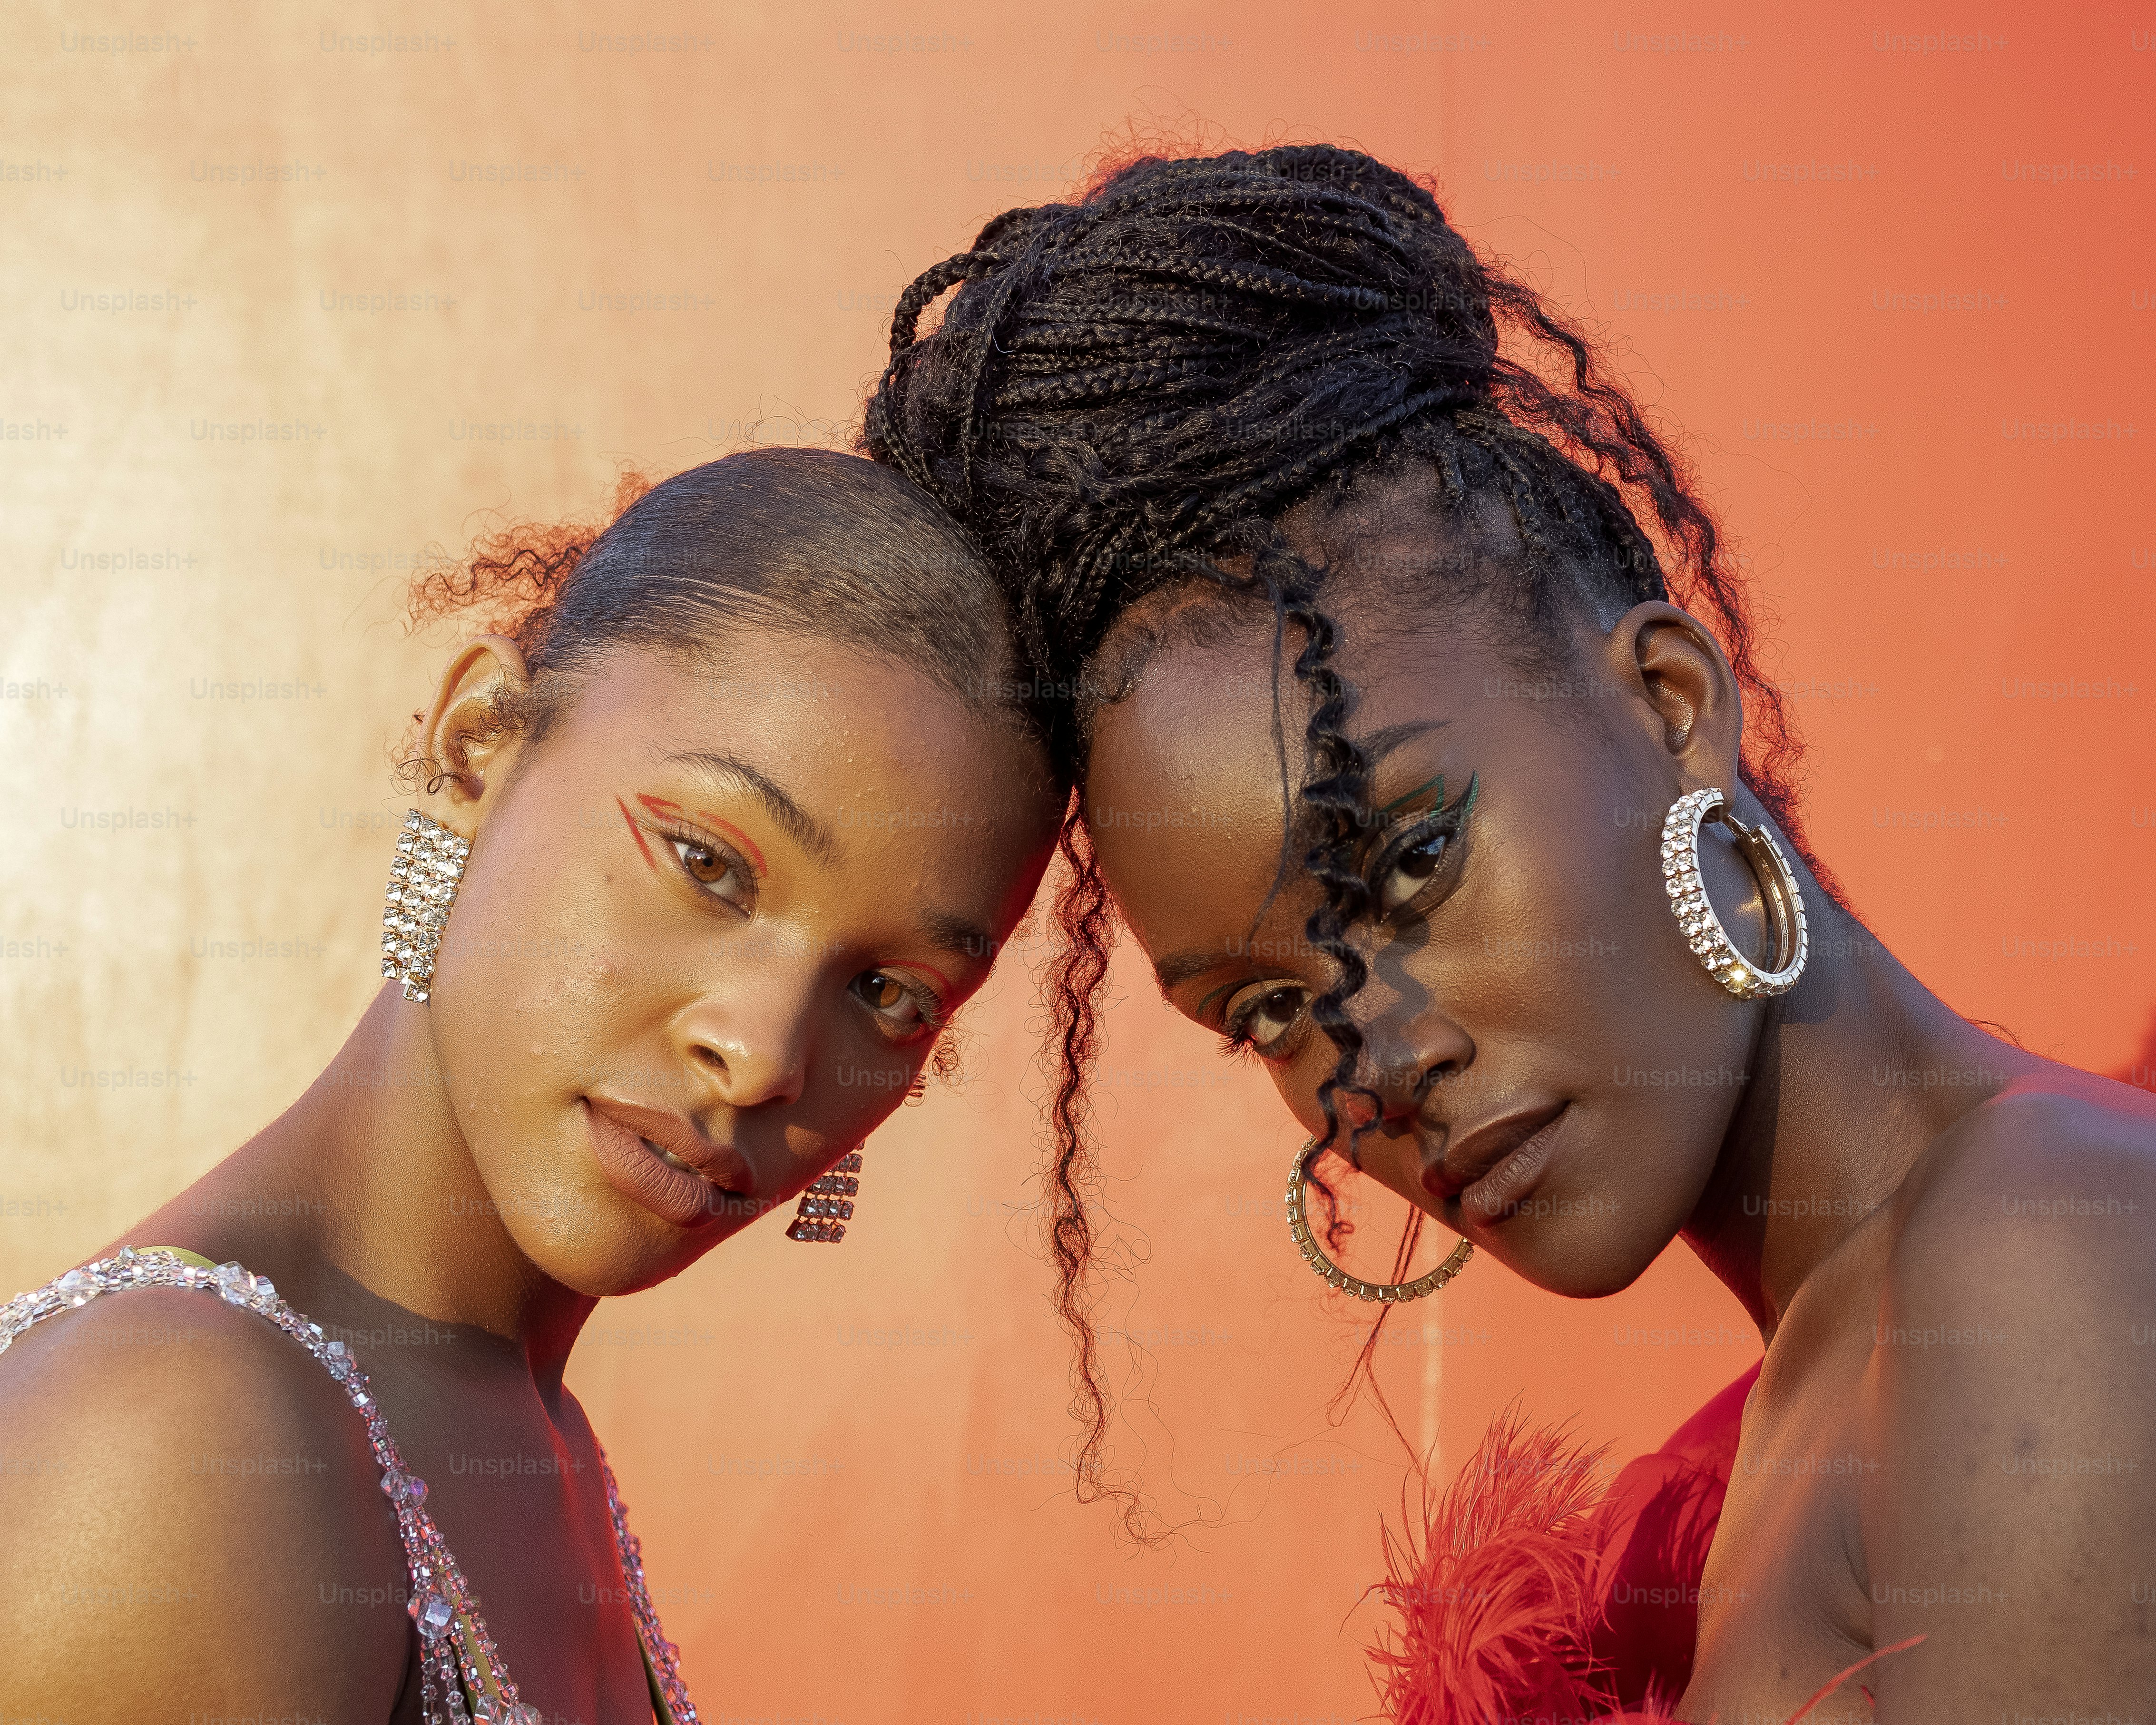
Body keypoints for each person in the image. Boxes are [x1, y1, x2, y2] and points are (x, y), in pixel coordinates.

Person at [862, 144, 2156, 1721]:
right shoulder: (1806, 1407)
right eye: (1268, 1008)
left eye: (1410, 860)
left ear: (1669, 705)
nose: (1373, 1063)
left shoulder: (2041, 1252)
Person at [0, 449, 1063, 1722]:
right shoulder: (175, 1441)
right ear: (479, 746)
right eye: (708, 864)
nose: (765, 1055)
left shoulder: (536, 1440)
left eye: (888, 991)